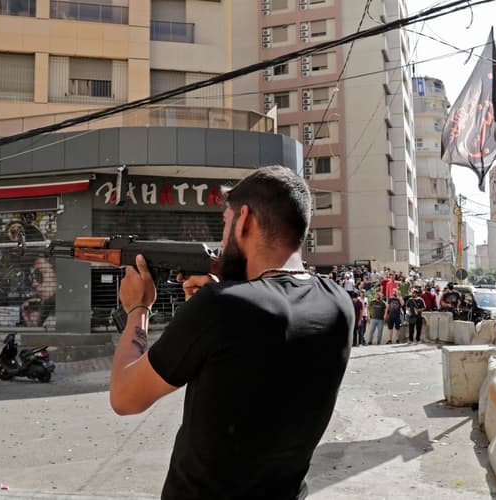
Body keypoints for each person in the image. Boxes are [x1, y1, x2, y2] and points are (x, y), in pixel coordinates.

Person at [108, 166, 354, 499]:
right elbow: (269, 334)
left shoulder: (222, 307)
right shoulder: (338, 303)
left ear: (245, 220)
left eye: (225, 224)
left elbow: (125, 398)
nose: (221, 242)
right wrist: (221, 299)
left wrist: (138, 308)